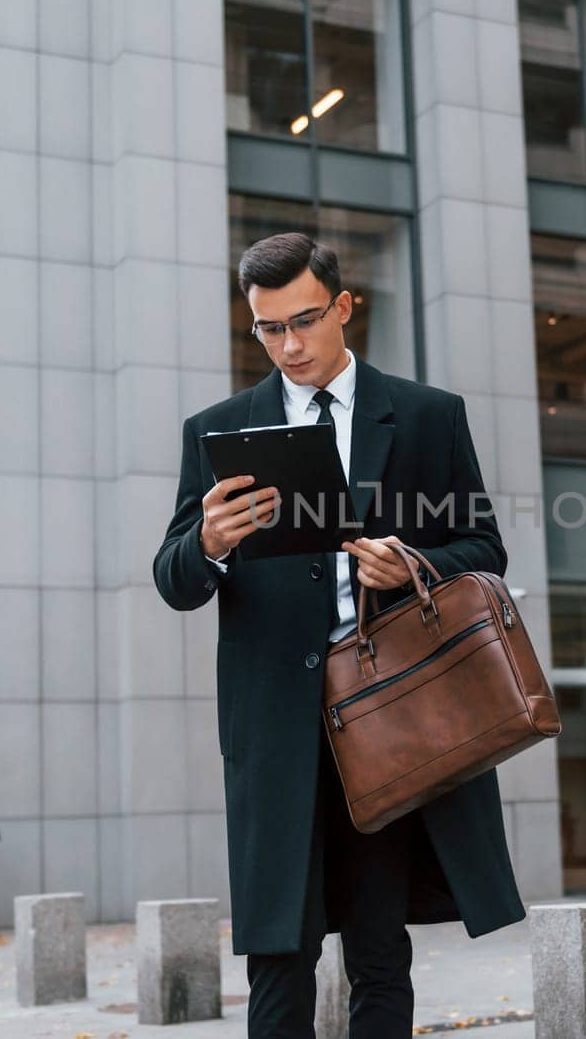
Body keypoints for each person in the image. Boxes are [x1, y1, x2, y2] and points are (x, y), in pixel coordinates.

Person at [154, 233, 525, 1037]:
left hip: (388, 721)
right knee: (276, 962)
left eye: (304, 321)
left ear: (344, 307)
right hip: (276, 734)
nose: (288, 345)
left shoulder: (429, 416)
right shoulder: (218, 431)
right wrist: (209, 542)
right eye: (268, 328)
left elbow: (485, 549)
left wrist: (413, 558)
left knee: (379, 954)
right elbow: (173, 578)